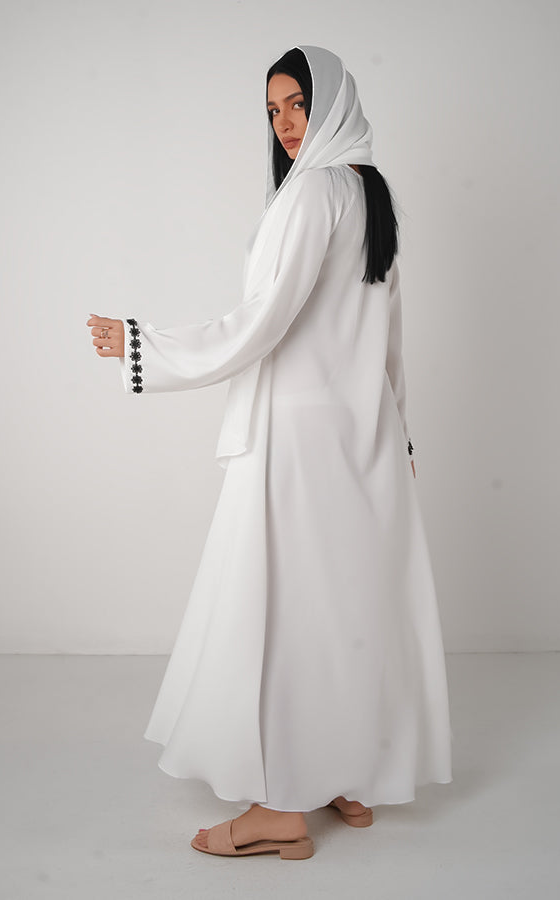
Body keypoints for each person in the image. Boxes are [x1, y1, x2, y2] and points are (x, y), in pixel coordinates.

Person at [86, 45, 452, 860]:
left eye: (296, 104)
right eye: (274, 110)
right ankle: (348, 773)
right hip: (363, 434)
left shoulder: (313, 191)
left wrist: (145, 345)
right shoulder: (369, 190)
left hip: (299, 437)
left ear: (331, 102)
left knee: (286, 611)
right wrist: (400, 432)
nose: (285, 123)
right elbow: (387, 336)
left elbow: (264, 319)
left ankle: (282, 805)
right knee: (348, 608)